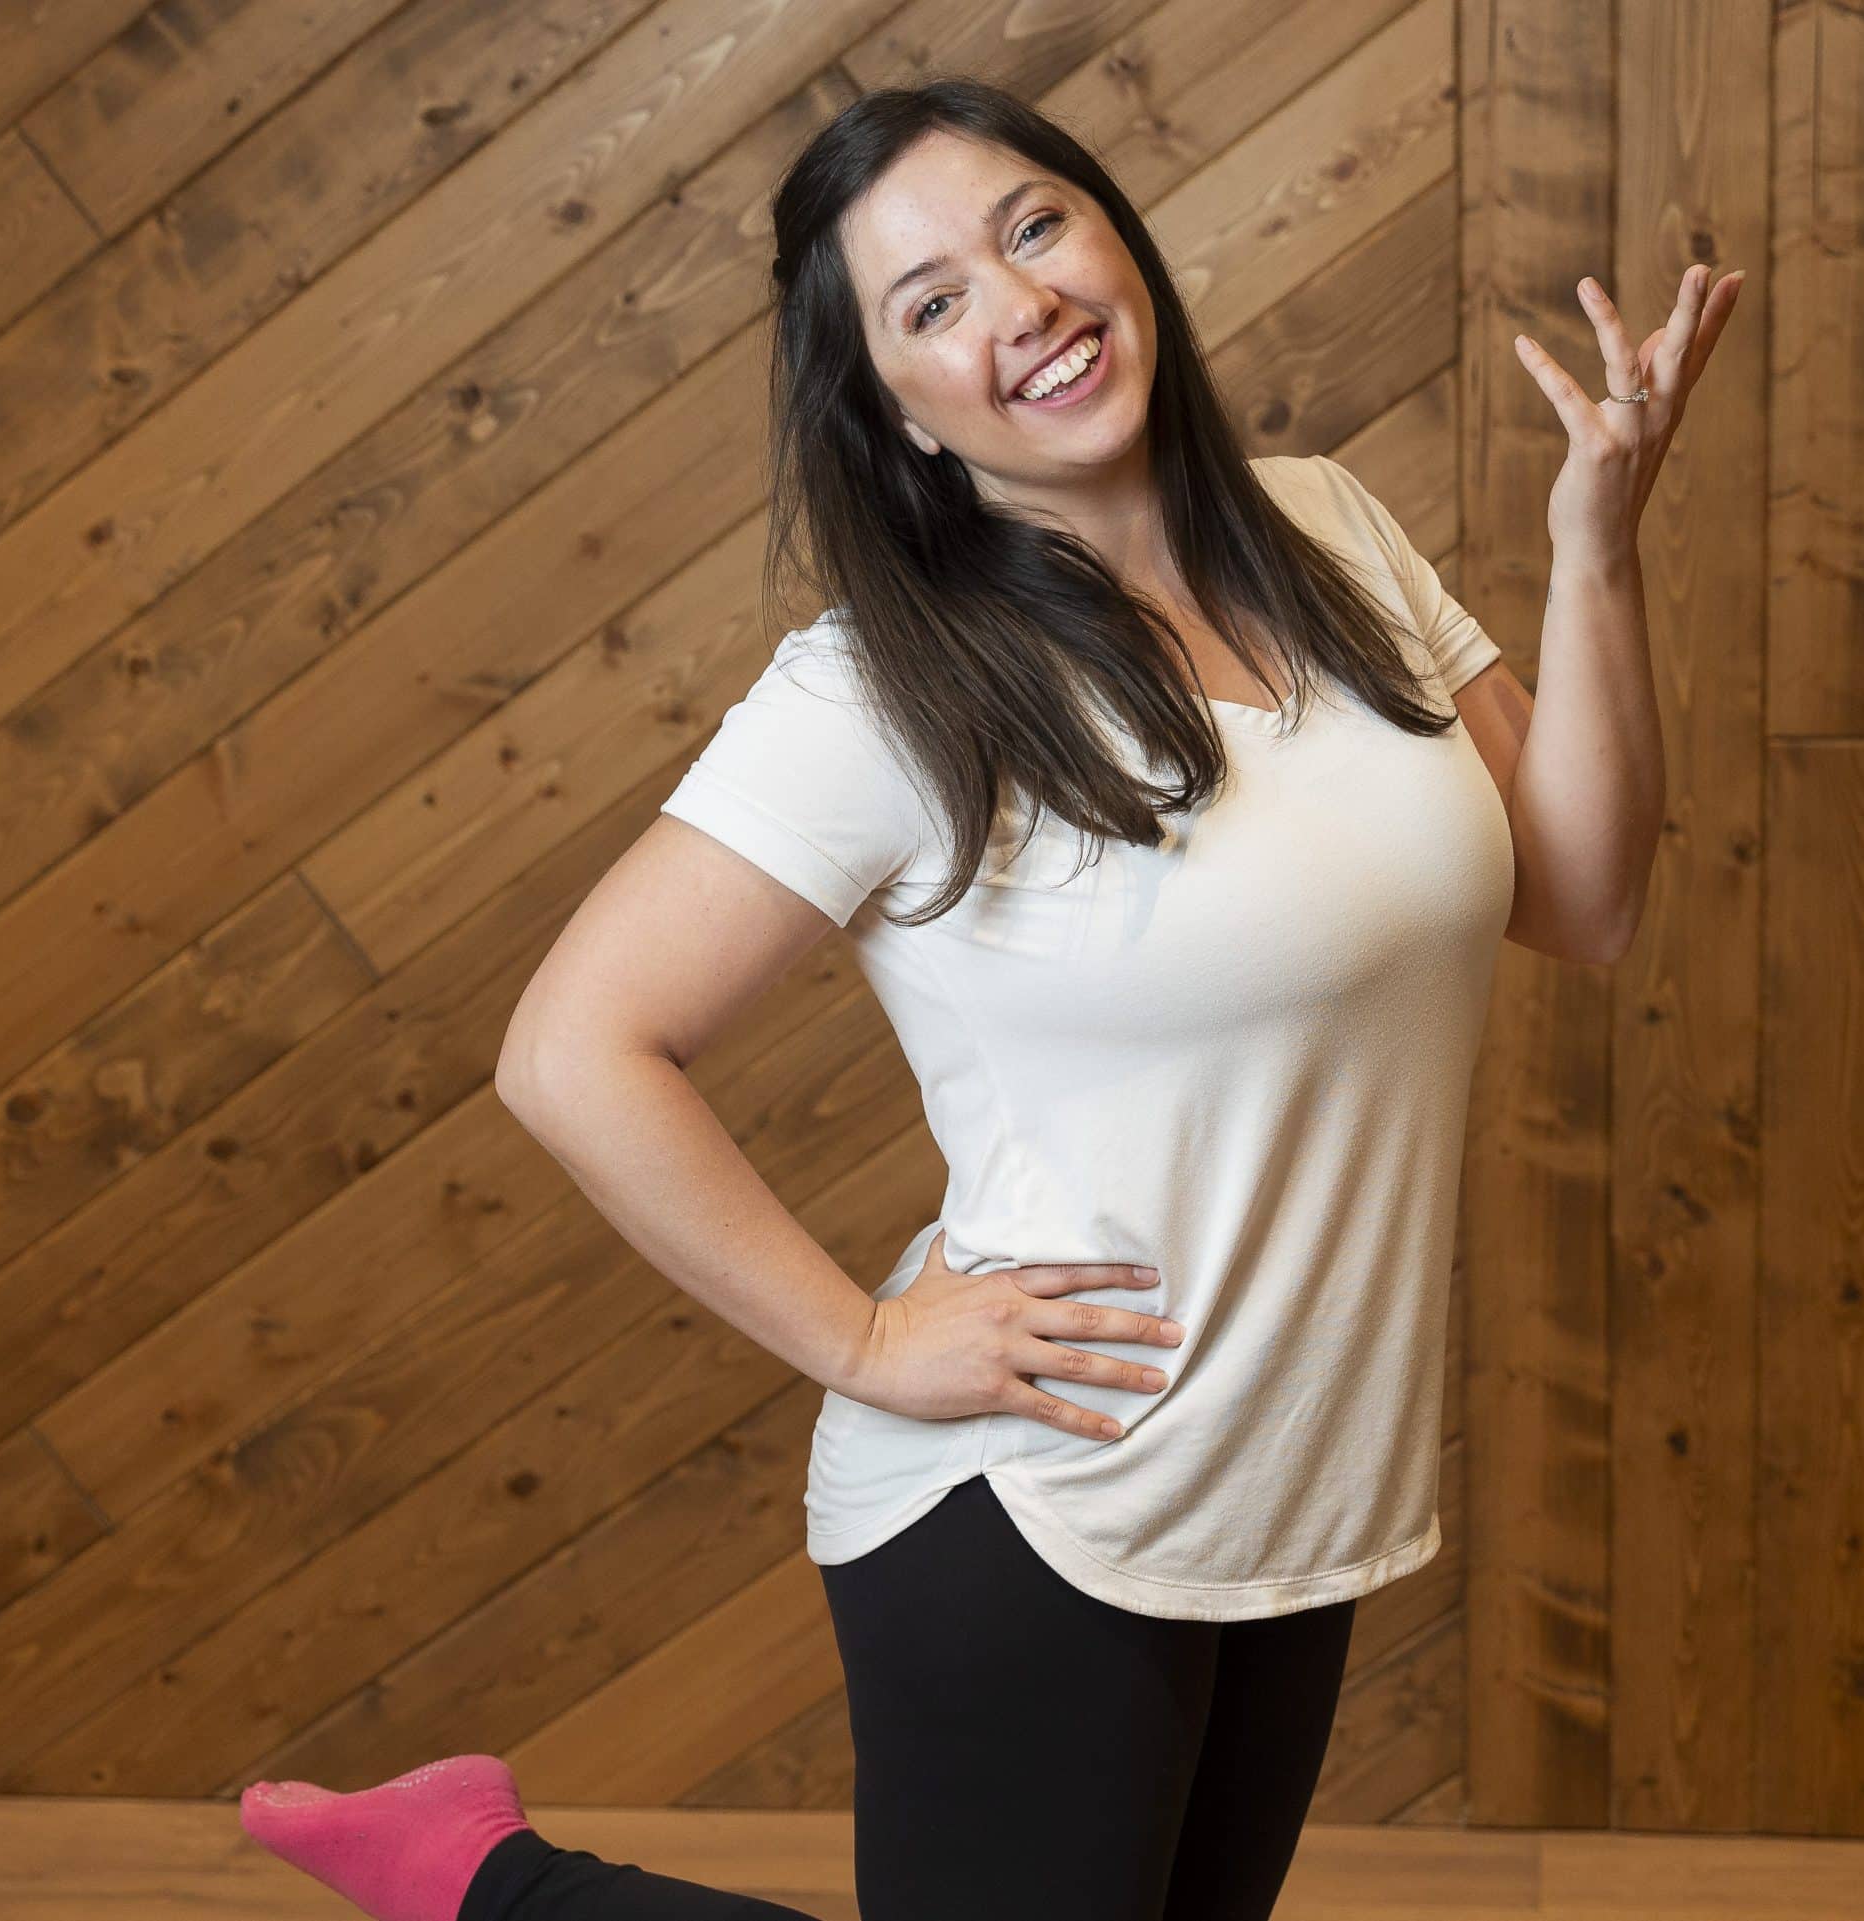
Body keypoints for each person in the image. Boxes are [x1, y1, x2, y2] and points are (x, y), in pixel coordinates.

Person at [241, 70, 1741, 1921]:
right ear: (899, 414)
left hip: (1292, 1488)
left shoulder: (1333, 529)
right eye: (930, 302)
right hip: (1040, 1505)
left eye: (1034, 227)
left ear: (1117, 241)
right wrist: (869, 1345)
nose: (1016, 302)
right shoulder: (884, 684)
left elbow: (1582, 895)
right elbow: (572, 1049)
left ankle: (463, 1865)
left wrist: (1598, 552)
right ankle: (482, 1880)